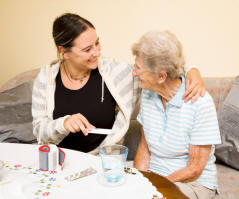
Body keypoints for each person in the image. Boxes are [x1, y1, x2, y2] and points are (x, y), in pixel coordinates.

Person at [32, 13, 206, 154]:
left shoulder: (116, 73)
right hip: (57, 161)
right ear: (64, 51)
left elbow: (161, 68)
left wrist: (192, 71)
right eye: (87, 49)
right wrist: (64, 124)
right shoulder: (45, 78)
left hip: (101, 162)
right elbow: (39, 131)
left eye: (97, 43)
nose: (97, 52)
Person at [132, 30, 221, 199]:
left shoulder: (200, 103)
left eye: (138, 69)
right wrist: (139, 181)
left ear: (161, 76)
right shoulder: (148, 93)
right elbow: (145, 147)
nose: (133, 74)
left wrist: (156, 187)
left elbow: (194, 169)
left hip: (192, 182)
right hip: (155, 176)